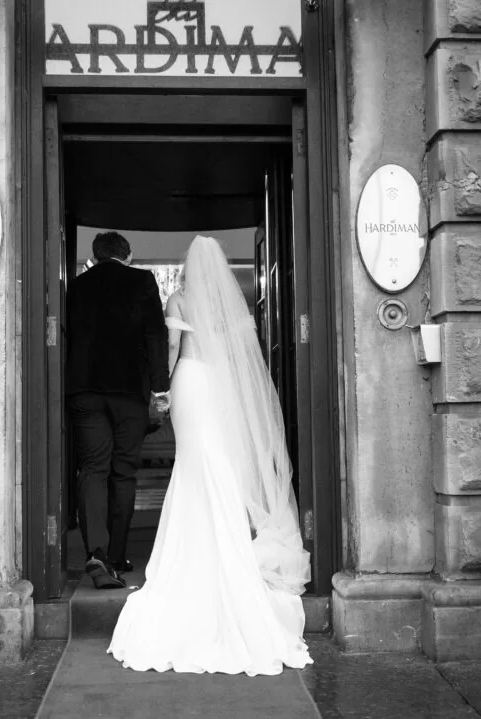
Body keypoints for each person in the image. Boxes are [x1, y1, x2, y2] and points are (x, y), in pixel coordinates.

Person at [108, 234, 312, 675]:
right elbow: (242, 356)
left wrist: (160, 395)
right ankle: (229, 545)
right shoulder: (227, 304)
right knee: (216, 458)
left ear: (187, 267)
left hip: (190, 381)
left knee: (192, 460)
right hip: (217, 384)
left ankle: (194, 553)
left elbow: (175, 348)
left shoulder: (179, 299)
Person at [66, 231, 171, 589]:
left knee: (93, 469)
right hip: (128, 392)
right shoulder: (142, 280)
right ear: (128, 256)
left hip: (85, 391)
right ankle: (118, 555)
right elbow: (156, 335)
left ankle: (96, 553)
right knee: (123, 472)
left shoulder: (78, 286)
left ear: (95, 257)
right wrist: (160, 388)